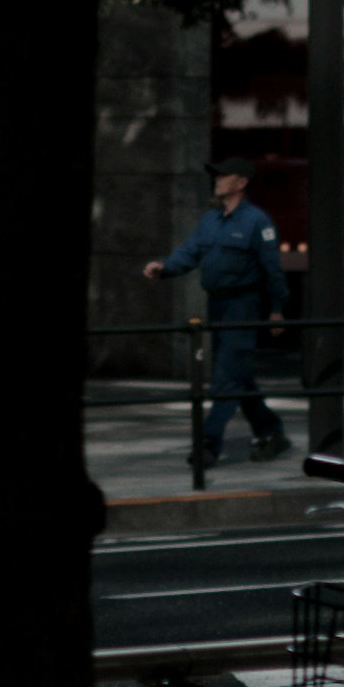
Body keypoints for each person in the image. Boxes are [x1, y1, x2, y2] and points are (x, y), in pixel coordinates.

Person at [145, 156, 292, 464]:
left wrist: (277, 308)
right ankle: (271, 431)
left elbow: (272, 270)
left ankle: (208, 443)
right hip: (218, 305)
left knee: (226, 376)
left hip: (243, 305)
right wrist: (165, 268)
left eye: (223, 176)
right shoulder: (211, 219)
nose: (217, 180)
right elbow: (190, 251)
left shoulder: (257, 221)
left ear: (241, 182)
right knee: (238, 374)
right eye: (216, 176)